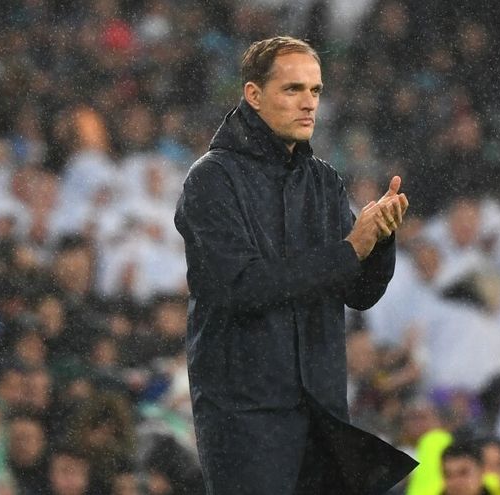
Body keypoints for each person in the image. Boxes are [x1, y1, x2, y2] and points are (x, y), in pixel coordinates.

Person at [174, 36, 417, 494]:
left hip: (322, 412)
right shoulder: (211, 179)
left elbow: (360, 293)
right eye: (293, 89)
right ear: (253, 94)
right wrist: (350, 248)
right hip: (246, 416)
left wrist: (380, 239)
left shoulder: (323, 180)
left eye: (315, 90)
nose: (309, 103)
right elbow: (242, 287)